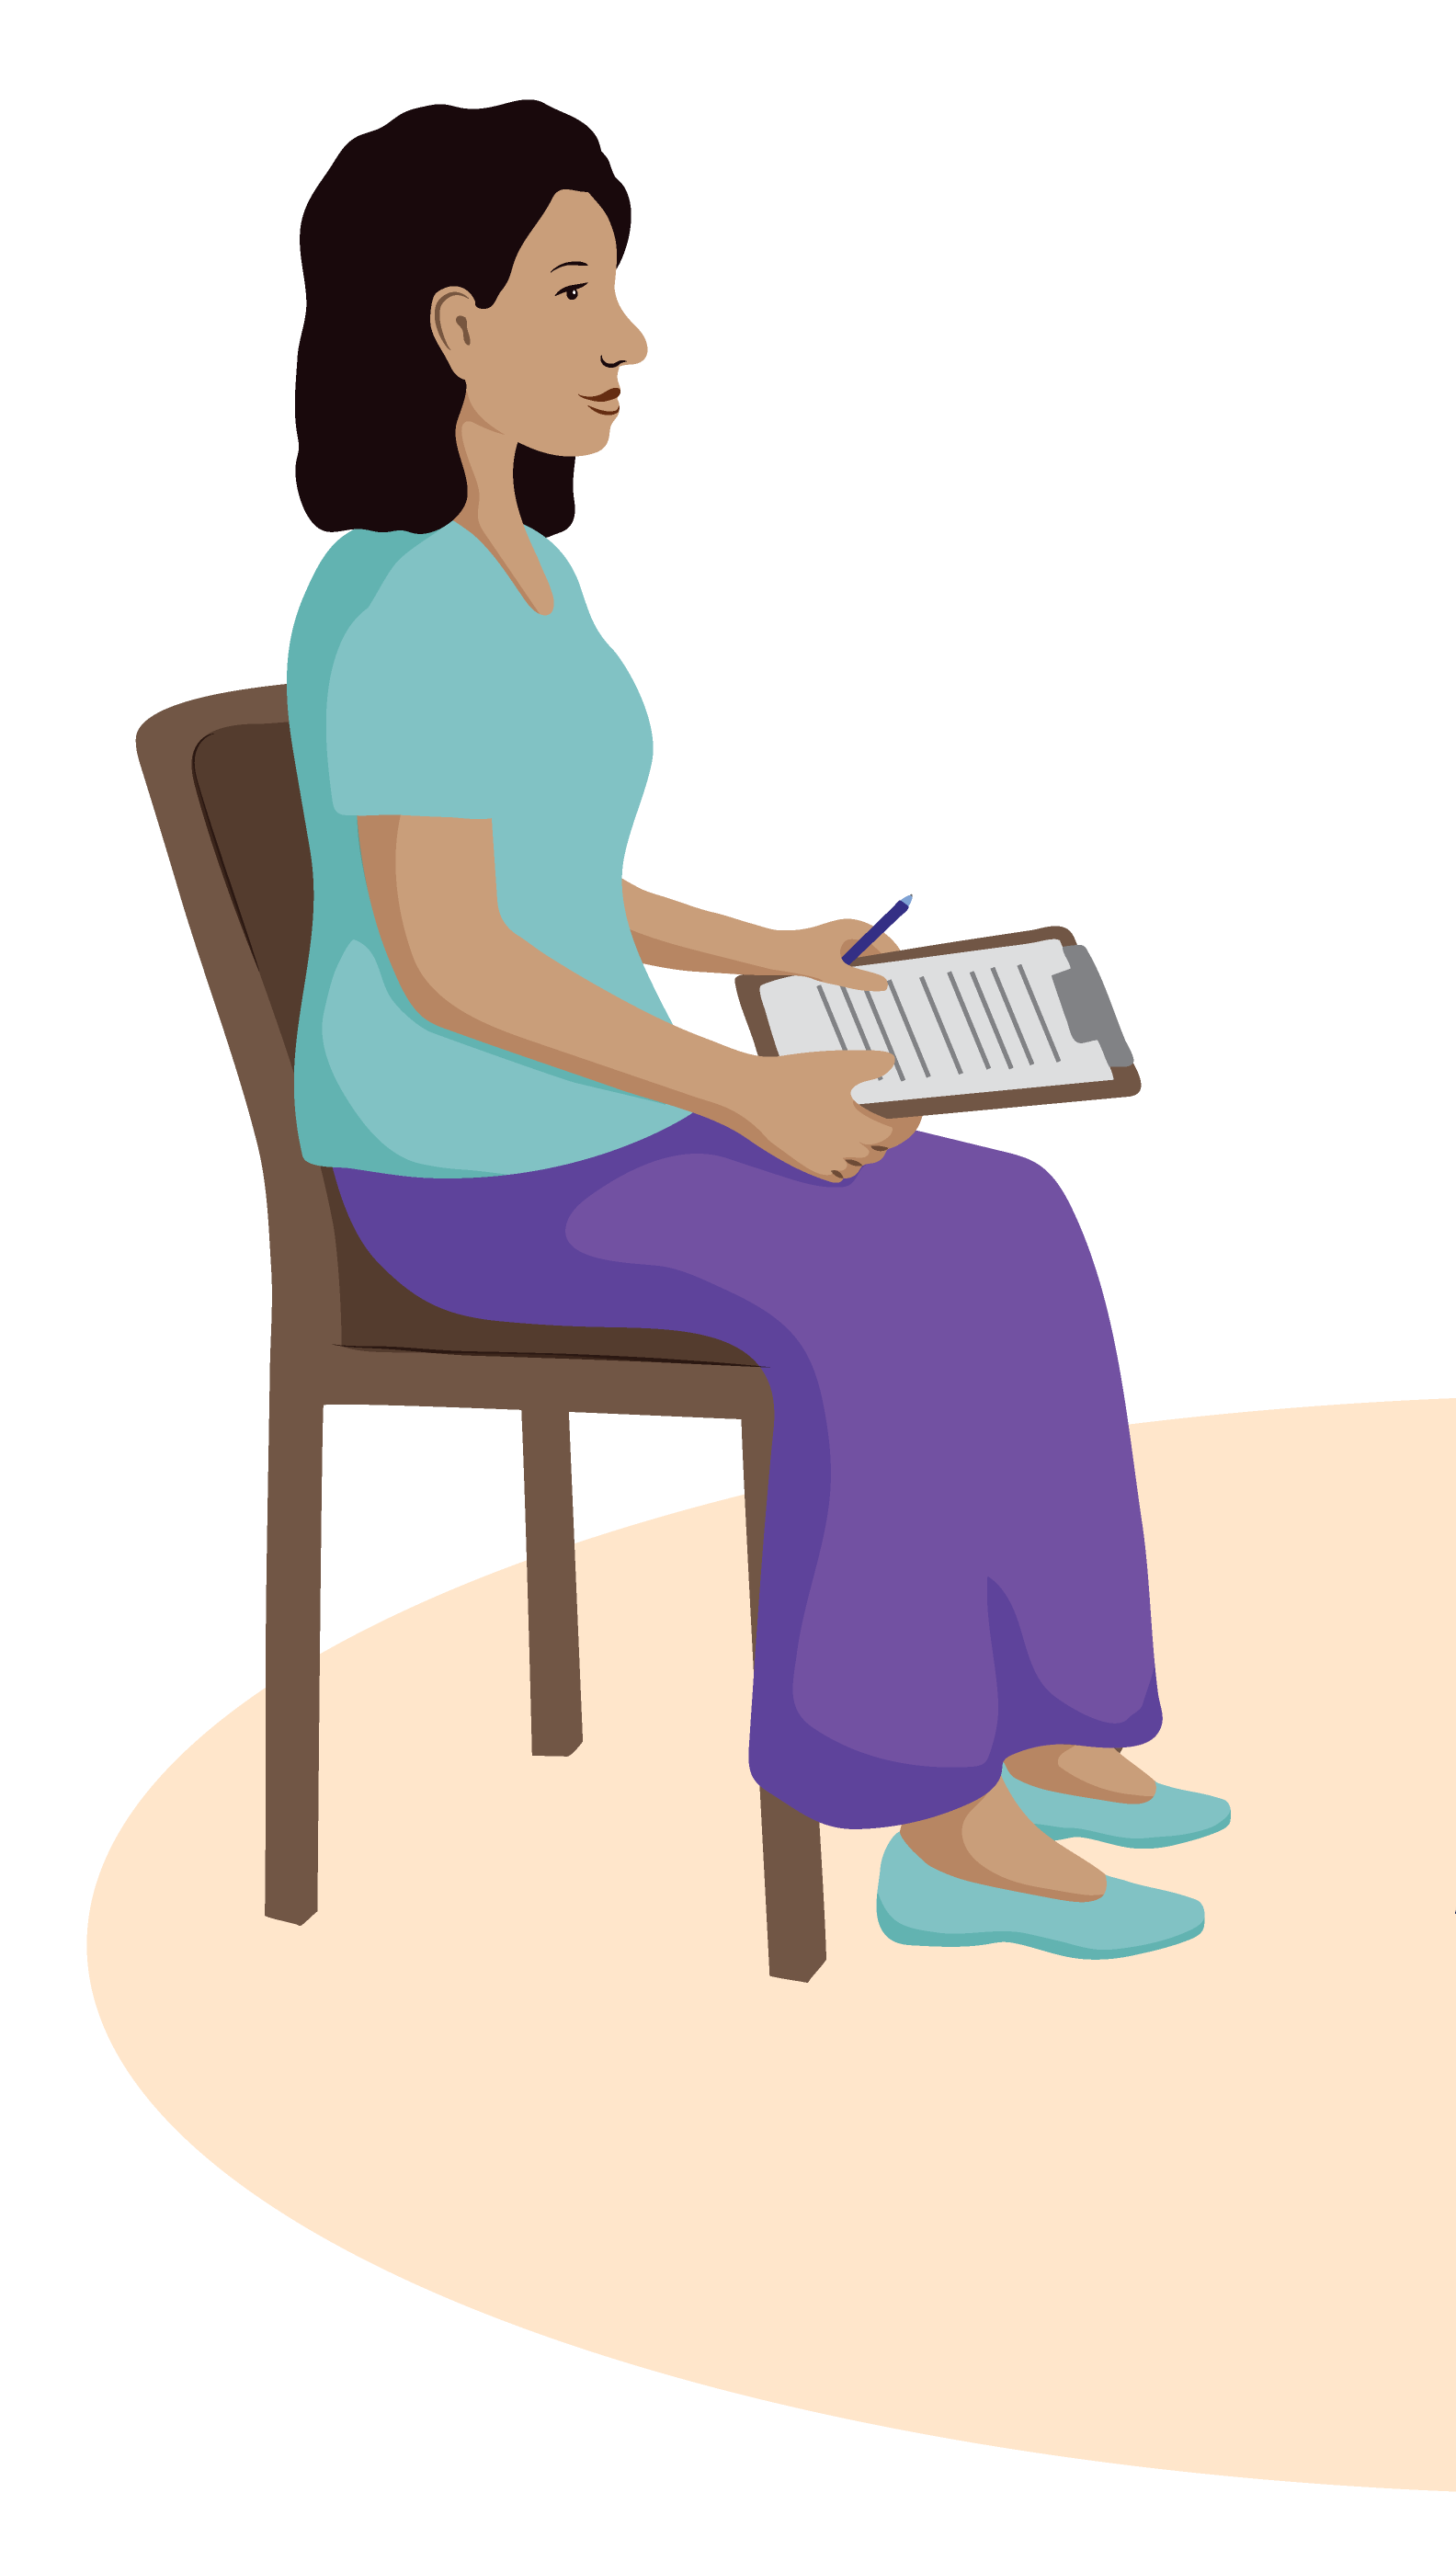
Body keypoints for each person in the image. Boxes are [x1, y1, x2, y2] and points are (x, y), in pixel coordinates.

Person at [285, 102, 1222, 1961]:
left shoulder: (536, 587)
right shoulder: (390, 602)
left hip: (604, 1121)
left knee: (1006, 1215)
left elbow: (561, 884)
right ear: (452, 325)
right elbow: (455, 958)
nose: (624, 337)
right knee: (871, 1275)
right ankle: (919, 1815)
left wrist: (755, 947)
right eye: (574, 290)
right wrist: (744, 1091)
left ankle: (1046, 1713)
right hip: (467, 1171)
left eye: (618, 290)